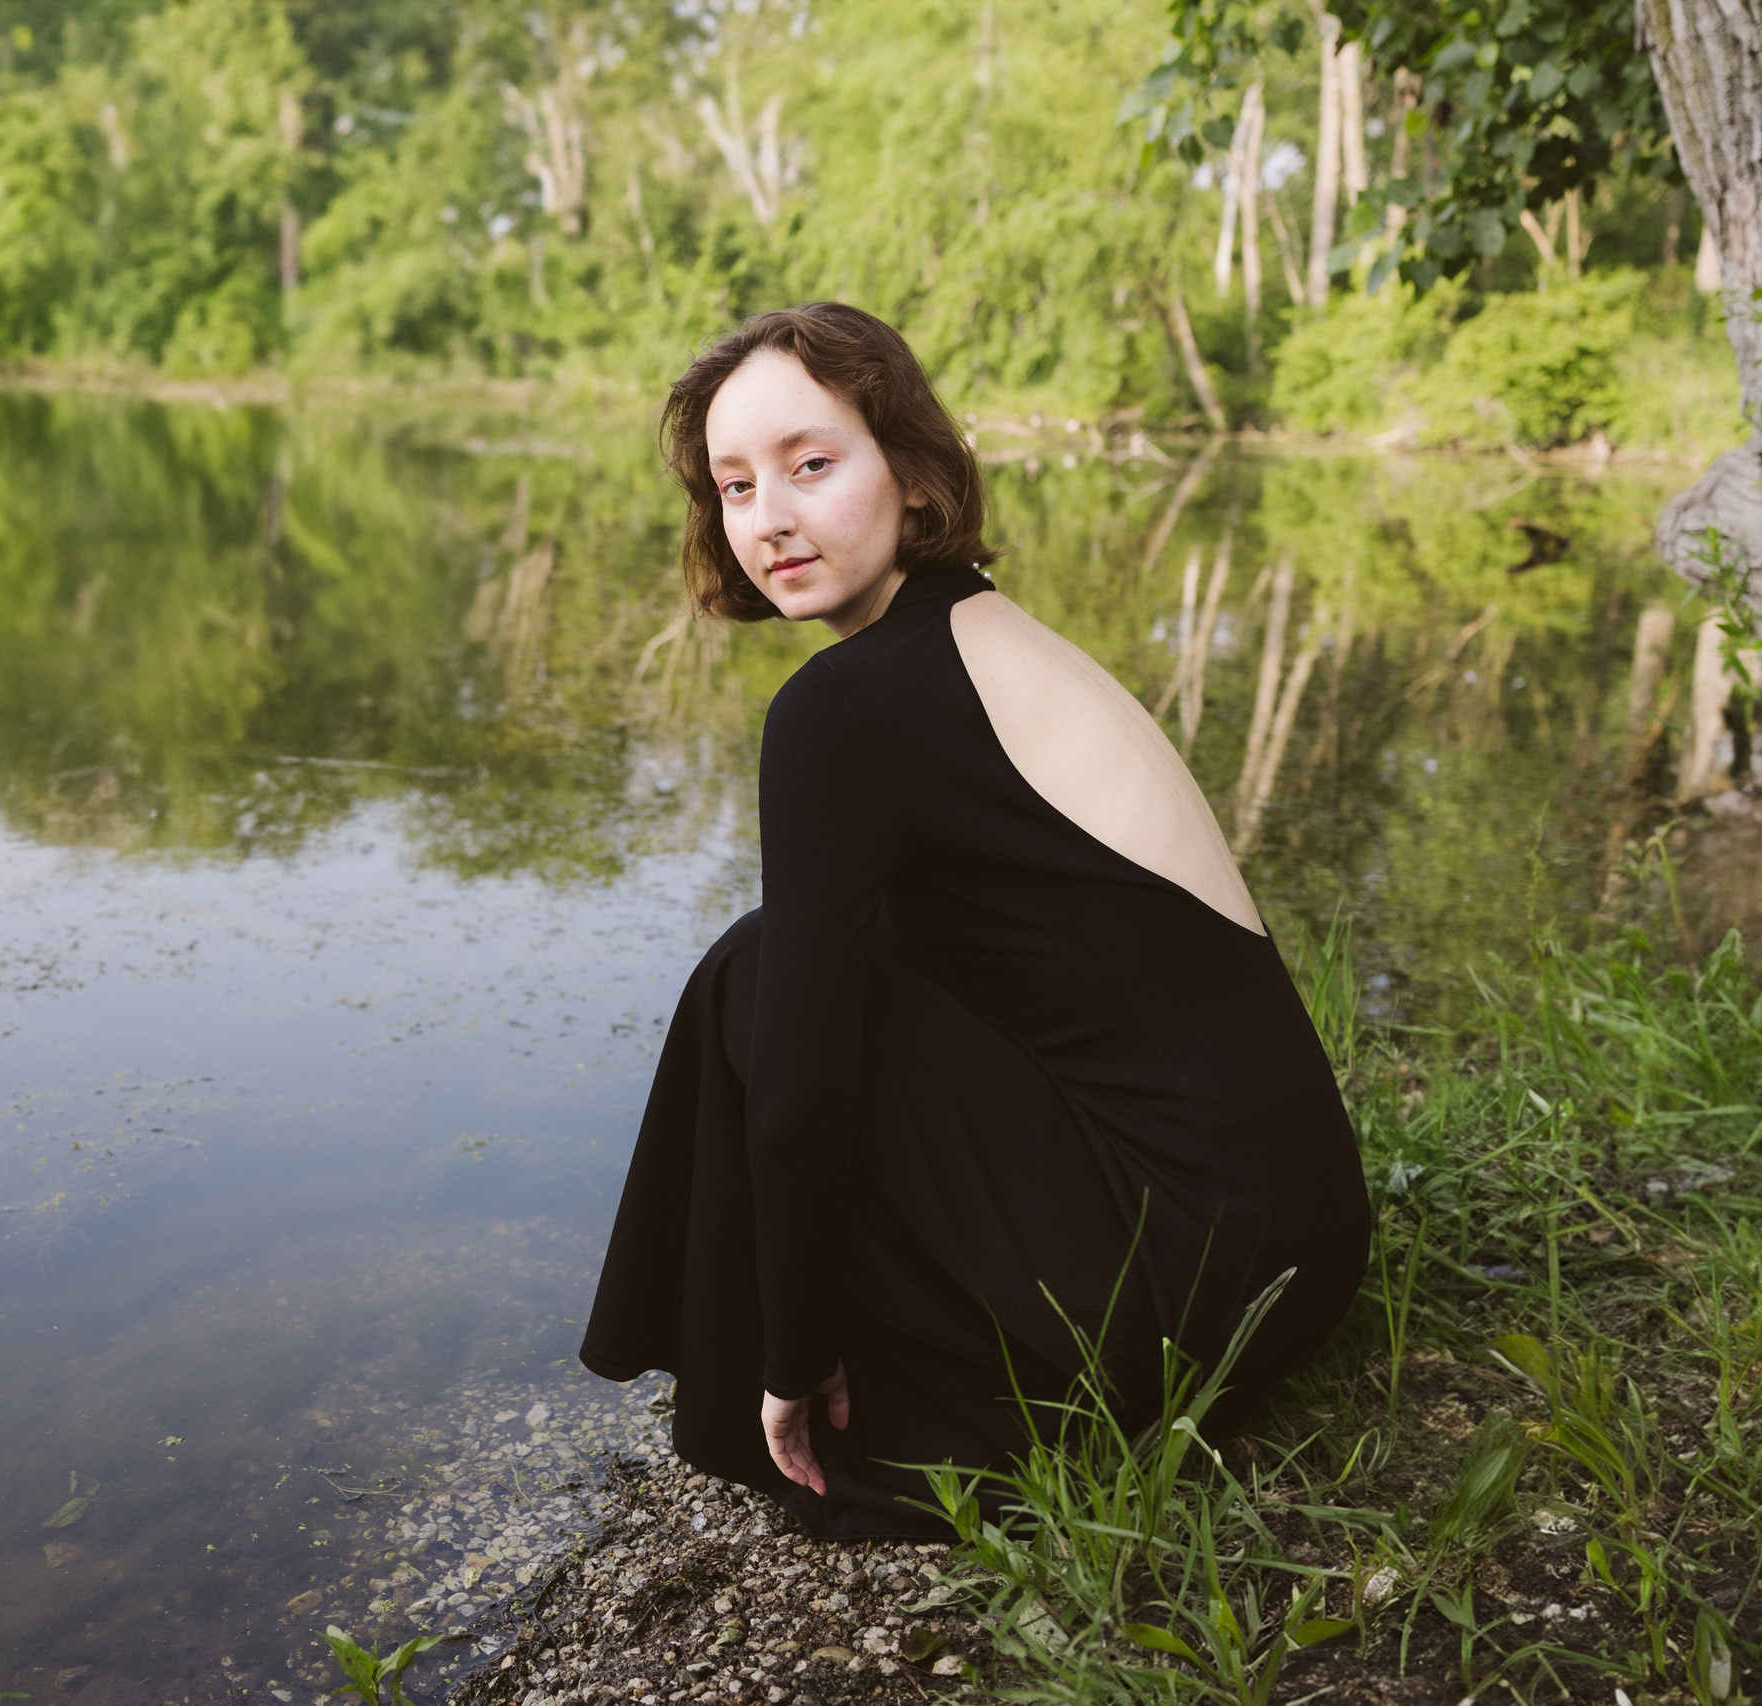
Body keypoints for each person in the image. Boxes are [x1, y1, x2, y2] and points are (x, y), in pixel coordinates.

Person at [579, 303, 1369, 1539]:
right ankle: (740, 1331)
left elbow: (801, 1077)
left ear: (911, 469)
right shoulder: (973, 628)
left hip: (1190, 1295)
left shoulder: (846, 707)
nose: (768, 519)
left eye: (811, 464)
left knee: (761, 987)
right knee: (775, 959)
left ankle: (765, 1374)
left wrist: (791, 1354)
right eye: (734, 488)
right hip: (1291, 1254)